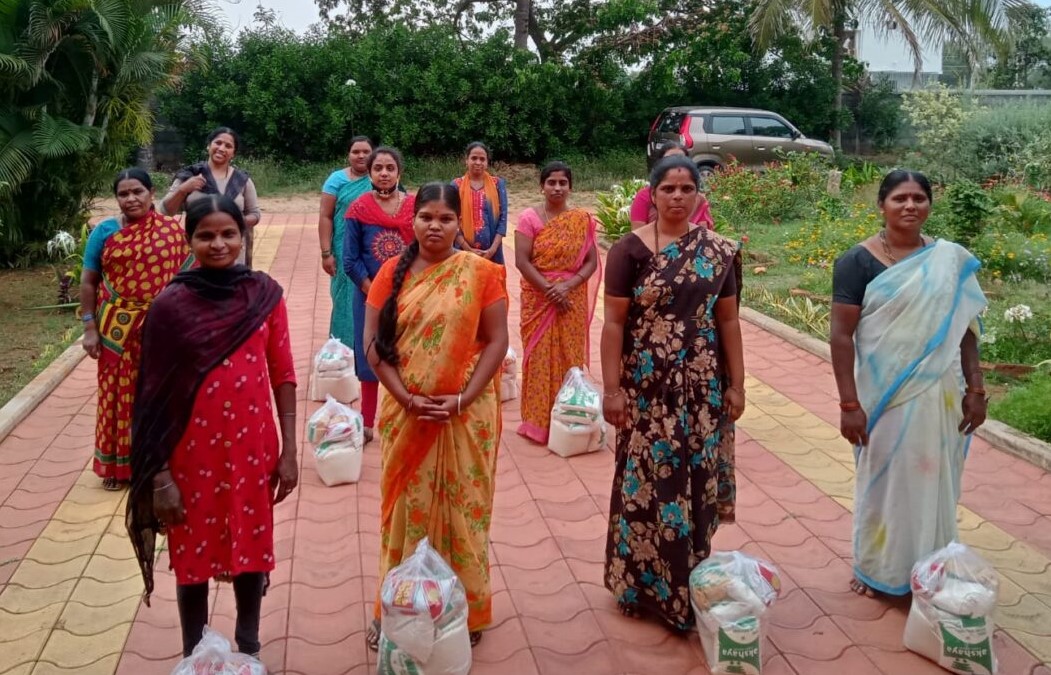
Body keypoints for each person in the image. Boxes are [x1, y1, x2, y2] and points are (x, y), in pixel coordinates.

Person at [126, 194, 298, 661]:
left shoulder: (265, 295)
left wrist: (290, 450)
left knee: (252, 547)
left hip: (253, 451)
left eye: (228, 234)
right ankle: (194, 653)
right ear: (190, 240)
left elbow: (283, 374)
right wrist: (160, 477)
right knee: (192, 557)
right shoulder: (169, 306)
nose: (218, 244)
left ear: (243, 237)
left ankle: (248, 647)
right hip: (188, 456)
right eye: (206, 235)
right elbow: (150, 398)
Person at [362, 182, 508, 650]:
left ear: (459, 223)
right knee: (405, 513)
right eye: (427, 216)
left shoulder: (481, 273)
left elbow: (497, 341)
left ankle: (465, 609)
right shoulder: (391, 272)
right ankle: (396, 607)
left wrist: (463, 398)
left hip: (466, 415)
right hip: (407, 413)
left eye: (446, 218)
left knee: (466, 510)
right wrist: (405, 397)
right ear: (413, 219)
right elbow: (371, 344)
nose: (435, 226)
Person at [602, 156, 745, 631]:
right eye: (669, 188)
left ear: (699, 195)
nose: (678, 197)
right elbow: (614, 325)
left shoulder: (719, 251)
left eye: (687, 188)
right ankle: (638, 585)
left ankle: (689, 582)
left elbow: (727, 321)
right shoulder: (629, 251)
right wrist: (612, 390)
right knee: (646, 483)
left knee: (696, 481)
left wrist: (737, 384)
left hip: (703, 387)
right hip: (647, 388)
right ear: (653, 195)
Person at [830, 170, 988, 598]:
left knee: (934, 480)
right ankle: (877, 568)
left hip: (941, 393)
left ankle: (931, 567)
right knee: (884, 479)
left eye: (919, 198)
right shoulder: (856, 262)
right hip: (884, 397)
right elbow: (841, 336)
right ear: (881, 205)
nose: (910, 206)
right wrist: (849, 405)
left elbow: (966, 332)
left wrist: (976, 390)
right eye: (900, 198)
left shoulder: (948, 260)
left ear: (929, 205)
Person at [80, 168, 192, 491]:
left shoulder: (171, 232)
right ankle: (117, 466)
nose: (131, 199)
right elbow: (88, 281)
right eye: (123, 194)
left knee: (161, 393)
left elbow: (186, 277)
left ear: (151, 192)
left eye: (137, 192)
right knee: (116, 396)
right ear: (116, 198)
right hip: (117, 330)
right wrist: (90, 328)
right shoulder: (104, 232)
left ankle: (161, 462)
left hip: (162, 328)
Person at [514, 161, 600, 444]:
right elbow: (522, 261)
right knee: (538, 357)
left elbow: (590, 262)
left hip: (570, 298)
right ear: (542, 186)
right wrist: (550, 289)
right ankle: (537, 422)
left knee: (568, 355)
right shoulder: (529, 218)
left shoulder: (580, 220)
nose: (557, 187)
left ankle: (570, 419)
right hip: (539, 298)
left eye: (563, 183)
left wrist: (567, 286)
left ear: (570, 187)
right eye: (551, 182)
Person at [343, 146, 416, 442]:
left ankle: (409, 415)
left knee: (409, 352)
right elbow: (350, 259)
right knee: (370, 353)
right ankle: (369, 421)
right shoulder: (358, 208)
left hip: (410, 293)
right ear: (370, 173)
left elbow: (422, 249)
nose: (384, 173)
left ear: (399, 172)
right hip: (368, 295)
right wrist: (374, 292)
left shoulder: (414, 207)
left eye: (390, 168)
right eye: (378, 168)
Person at [161, 126, 262, 266]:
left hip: (231, 251)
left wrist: (235, 223)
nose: (221, 148)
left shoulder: (242, 180)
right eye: (218, 143)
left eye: (228, 146)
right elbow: (166, 211)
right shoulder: (190, 176)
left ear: (233, 153)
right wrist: (183, 190)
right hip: (198, 249)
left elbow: (255, 214)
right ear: (209, 146)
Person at [318, 136, 375, 346]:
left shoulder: (380, 177)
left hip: (373, 250)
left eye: (366, 151)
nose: (361, 156)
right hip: (344, 251)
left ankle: (370, 344)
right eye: (356, 152)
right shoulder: (336, 180)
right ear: (348, 155)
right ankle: (342, 346)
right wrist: (326, 253)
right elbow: (325, 216)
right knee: (344, 298)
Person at [630, 143, 713, 230]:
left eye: (681, 159)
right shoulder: (644, 196)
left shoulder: (698, 199)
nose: (677, 195)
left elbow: (704, 235)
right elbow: (638, 235)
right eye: (668, 189)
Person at [452, 141, 509, 264]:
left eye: (482, 159)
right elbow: (452, 219)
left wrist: (492, 250)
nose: (478, 162)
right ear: (466, 160)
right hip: (462, 252)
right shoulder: (456, 185)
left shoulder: (498, 184)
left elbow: (503, 219)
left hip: (492, 252)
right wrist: (468, 249)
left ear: (487, 162)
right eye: (474, 158)